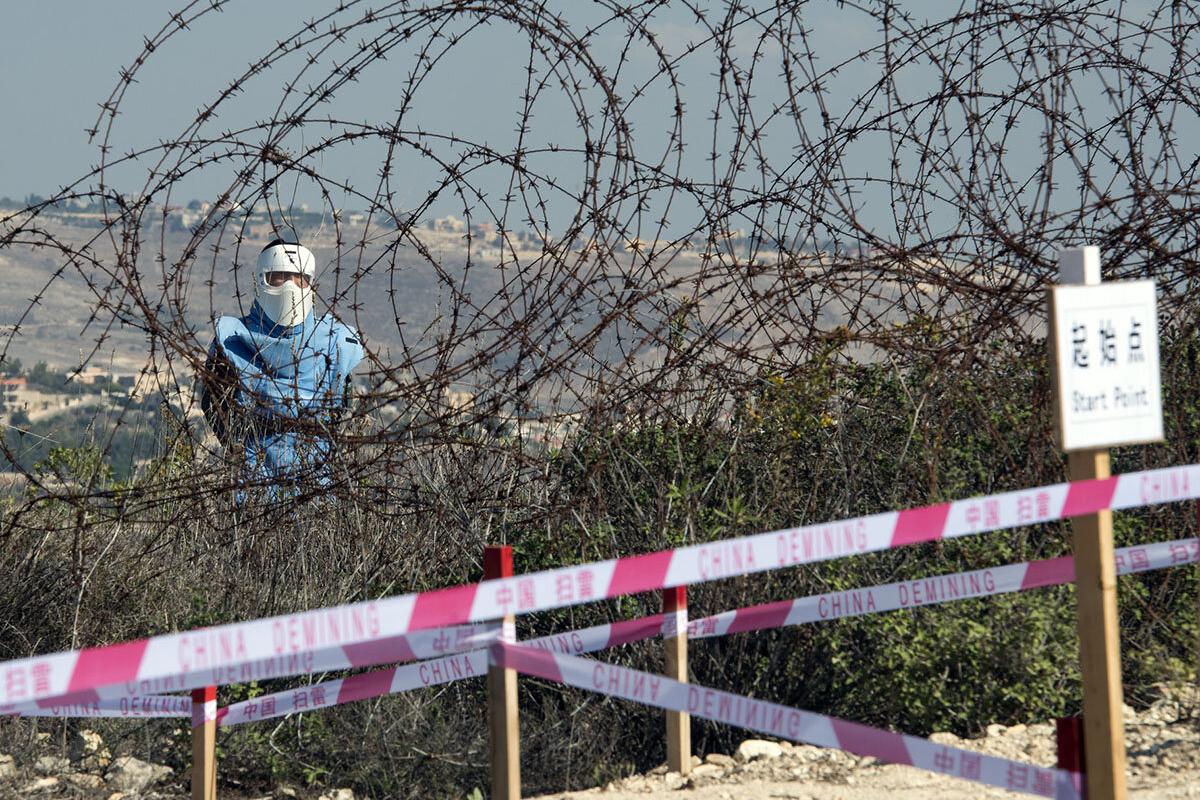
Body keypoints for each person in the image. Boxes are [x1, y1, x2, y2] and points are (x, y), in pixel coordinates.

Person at [200, 237, 364, 486]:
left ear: (310, 282)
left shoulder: (338, 342)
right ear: (261, 279)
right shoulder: (231, 340)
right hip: (255, 475)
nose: (290, 285)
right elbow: (214, 404)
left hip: (317, 474)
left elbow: (341, 407)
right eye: (279, 276)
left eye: (299, 277)